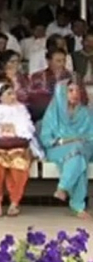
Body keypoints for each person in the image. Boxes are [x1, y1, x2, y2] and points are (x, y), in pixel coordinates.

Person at [0, 83, 41, 217]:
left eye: (13, 93)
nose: (13, 97)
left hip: (17, 146)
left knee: (19, 165)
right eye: (9, 94)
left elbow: (28, 129)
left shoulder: (21, 109)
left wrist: (14, 129)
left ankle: (14, 203)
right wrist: (1, 130)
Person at [39, 81, 93, 219]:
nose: (75, 94)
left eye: (77, 90)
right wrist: (66, 140)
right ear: (61, 93)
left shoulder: (86, 113)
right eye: (70, 91)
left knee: (79, 155)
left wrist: (77, 141)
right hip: (57, 149)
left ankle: (62, 188)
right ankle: (77, 205)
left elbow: (91, 137)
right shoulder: (52, 113)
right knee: (79, 160)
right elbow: (46, 139)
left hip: (83, 148)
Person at [29, 47, 84, 122]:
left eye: (64, 61)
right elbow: (34, 101)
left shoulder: (74, 76)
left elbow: (83, 98)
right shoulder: (37, 77)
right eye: (58, 61)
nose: (62, 64)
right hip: (45, 116)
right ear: (48, 61)